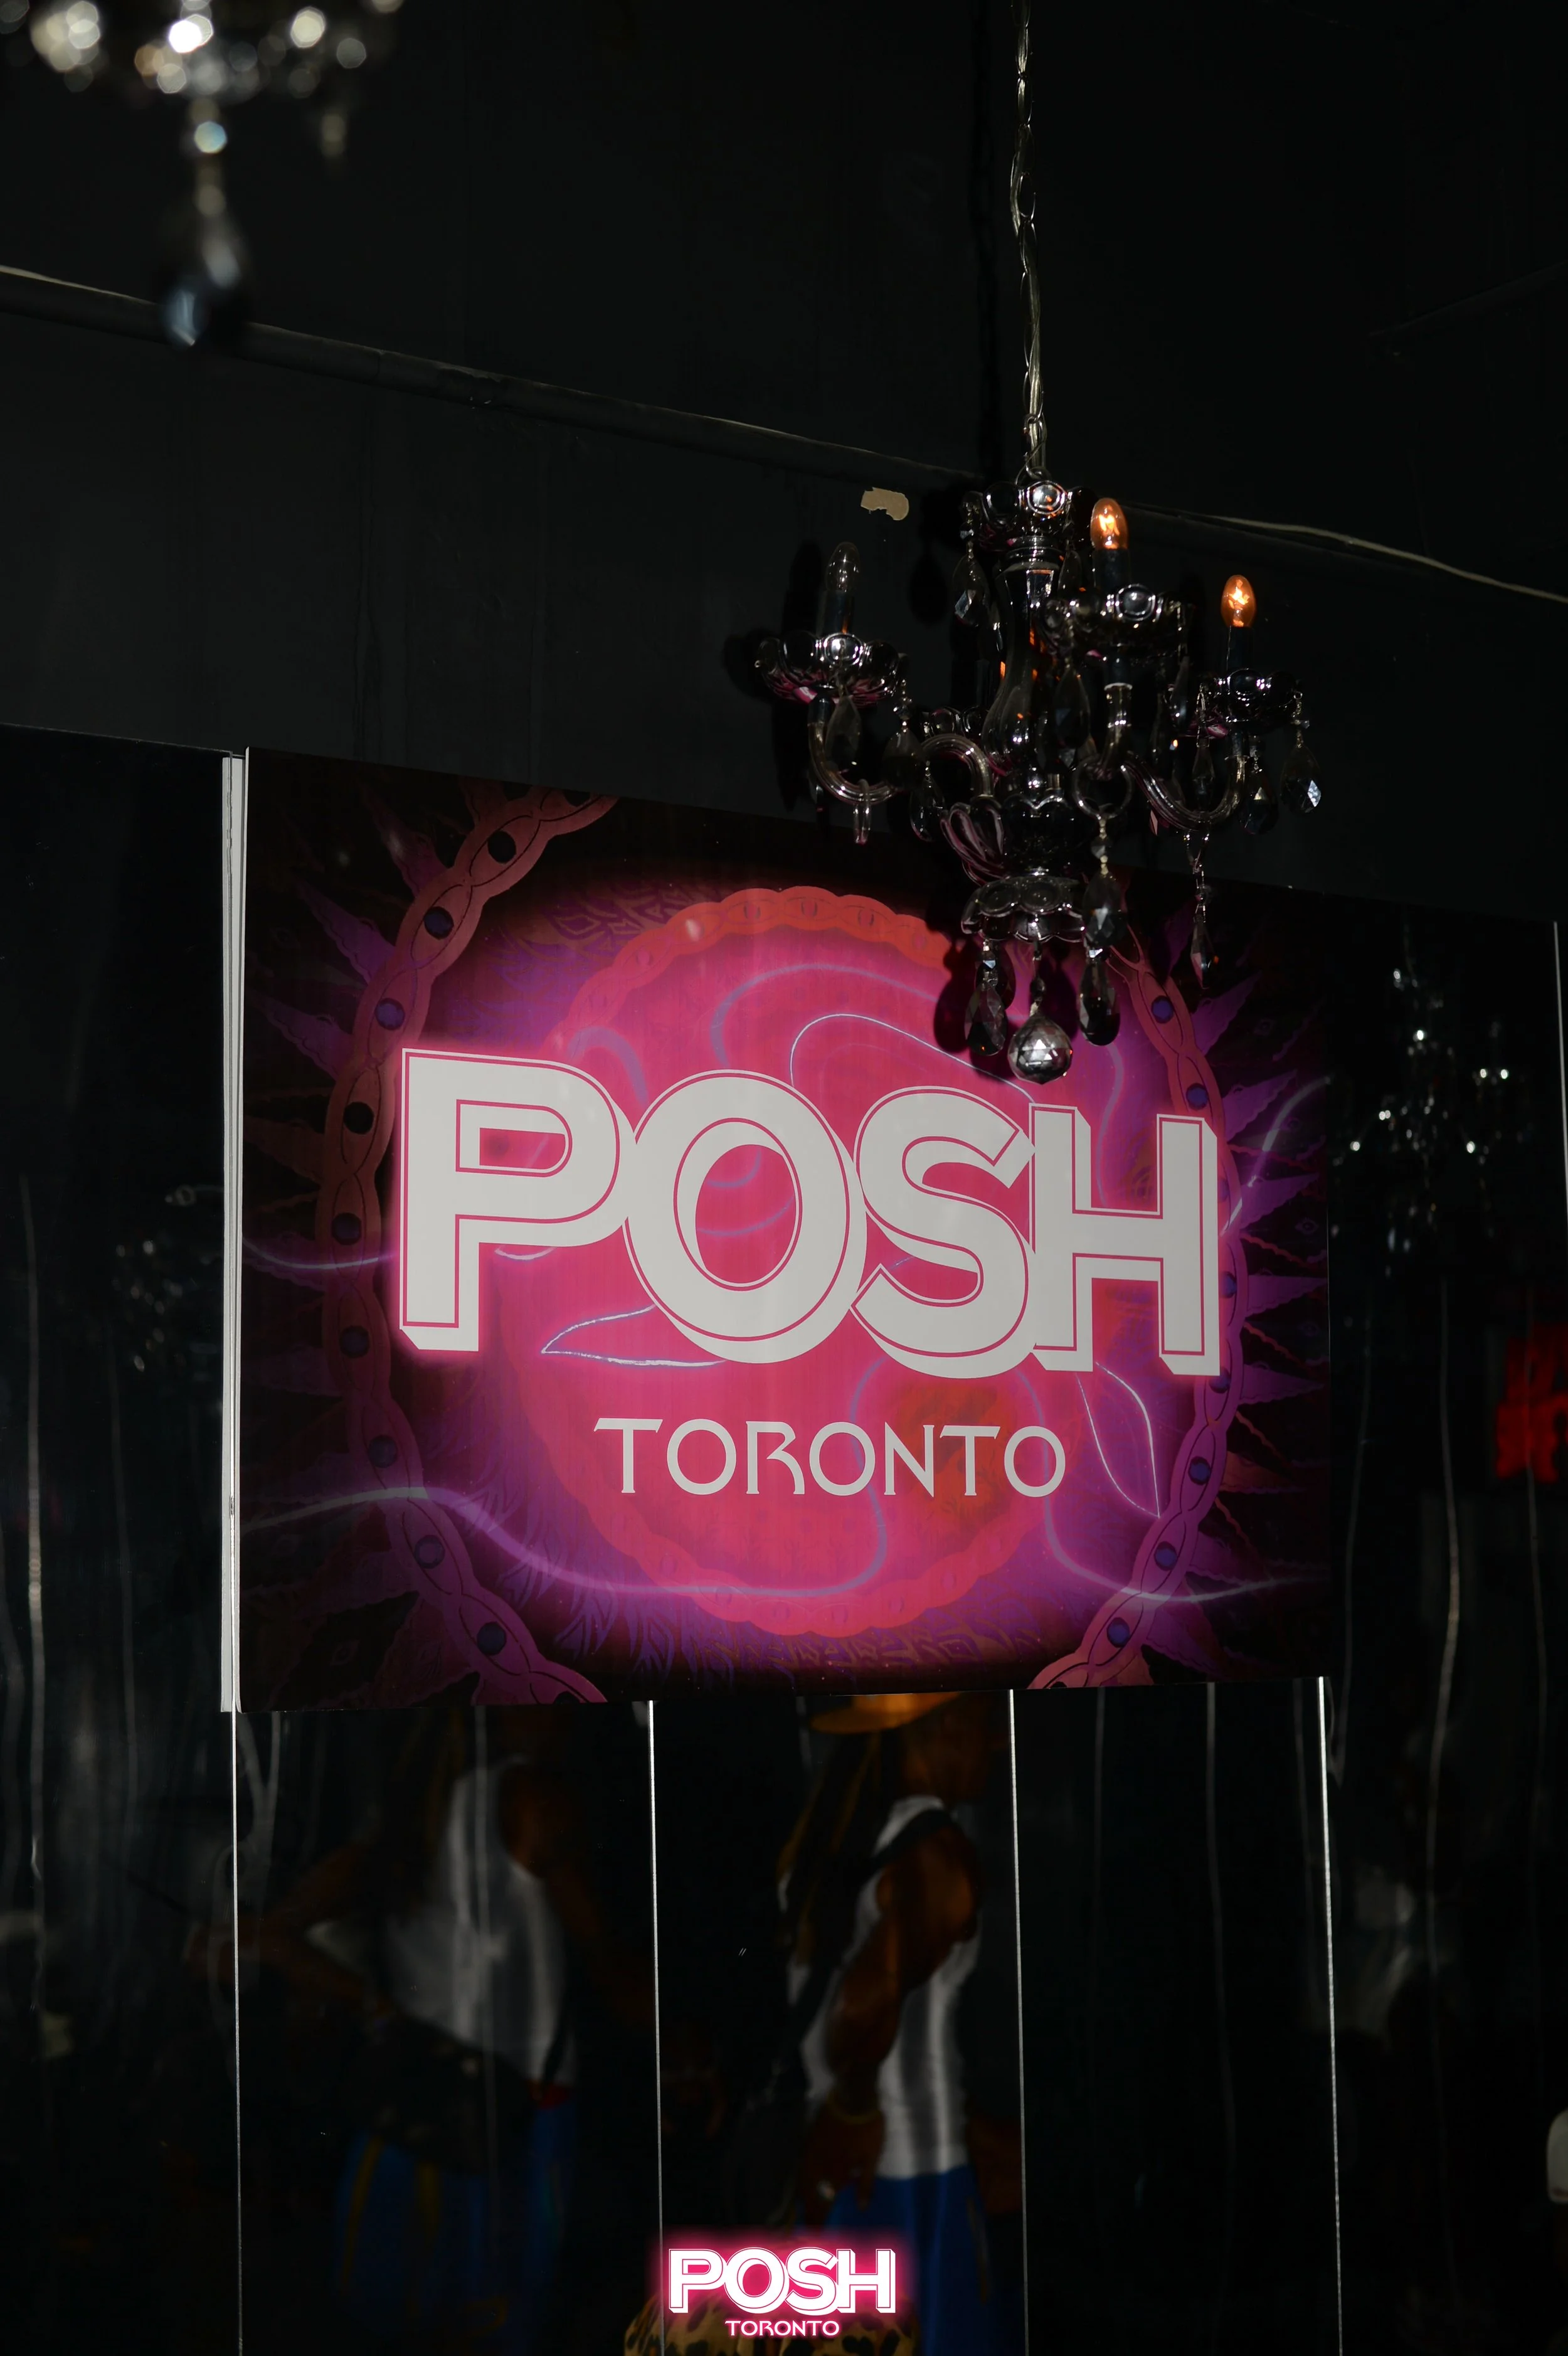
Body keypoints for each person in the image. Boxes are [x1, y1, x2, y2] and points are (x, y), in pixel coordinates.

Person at [196, 1706, 648, 2355]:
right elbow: (607, 1961)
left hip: (417, 2106)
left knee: (407, 2316)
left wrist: (365, 2000)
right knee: (496, 2318)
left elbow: (269, 1937)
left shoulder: (401, 1826)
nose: (568, 1708)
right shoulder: (528, 1797)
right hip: (512, 2113)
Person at [781, 1690, 1017, 2356]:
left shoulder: (840, 1831)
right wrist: (853, 2112)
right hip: (911, 2183)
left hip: (839, 2176)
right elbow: (864, 2004)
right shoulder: (937, 1852)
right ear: (948, 1724)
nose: (999, 1742)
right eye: (987, 1722)